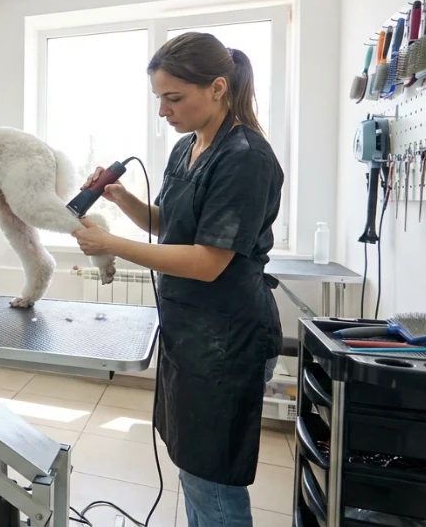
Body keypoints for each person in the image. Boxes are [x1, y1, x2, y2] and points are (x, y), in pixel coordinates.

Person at [72, 32, 284, 527]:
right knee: (193, 469)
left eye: (173, 98)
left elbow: (209, 261)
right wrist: (121, 199)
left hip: (227, 340)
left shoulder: (245, 157)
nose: (163, 111)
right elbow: (170, 225)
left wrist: (111, 245)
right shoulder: (187, 147)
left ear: (217, 88)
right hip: (188, 333)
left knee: (213, 481)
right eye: (158, 99)